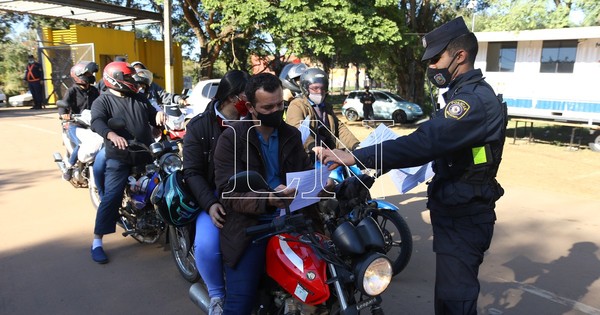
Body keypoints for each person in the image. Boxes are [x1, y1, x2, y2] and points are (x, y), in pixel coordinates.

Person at [316, 16, 507, 315]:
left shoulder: (471, 103)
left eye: (436, 59)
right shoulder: (461, 97)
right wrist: (373, 169)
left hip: (465, 216)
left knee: (456, 302)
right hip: (456, 211)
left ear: (460, 56)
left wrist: (356, 156)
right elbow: (432, 146)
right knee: (447, 297)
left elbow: (424, 143)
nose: (431, 67)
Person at [212, 73, 313, 314]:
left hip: (293, 221)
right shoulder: (232, 139)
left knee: (324, 282)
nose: (276, 111)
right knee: (240, 303)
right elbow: (228, 193)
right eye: (268, 107)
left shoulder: (291, 135)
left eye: (280, 105)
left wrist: (323, 184)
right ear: (250, 107)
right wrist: (266, 199)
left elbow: (304, 172)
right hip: (251, 228)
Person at [182, 69, 251, 315]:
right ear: (233, 98)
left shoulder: (255, 121)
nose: (252, 100)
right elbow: (191, 172)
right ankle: (216, 295)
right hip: (213, 198)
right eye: (247, 94)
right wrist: (210, 204)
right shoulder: (200, 127)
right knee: (208, 245)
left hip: (250, 196)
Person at [89, 61, 165, 264]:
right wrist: (111, 134)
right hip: (120, 157)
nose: (133, 80)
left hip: (146, 154)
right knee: (112, 196)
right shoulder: (103, 101)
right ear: (115, 80)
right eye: (128, 77)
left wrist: (157, 115)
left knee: (165, 184)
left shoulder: (139, 97)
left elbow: (152, 113)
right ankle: (97, 241)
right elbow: (96, 121)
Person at [286, 67, 359, 158]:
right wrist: (312, 145)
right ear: (305, 89)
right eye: (315, 88)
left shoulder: (325, 106)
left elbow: (340, 128)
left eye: (323, 88)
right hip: (307, 157)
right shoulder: (297, 105)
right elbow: (297, 127)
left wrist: (355, 145)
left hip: (328, 155)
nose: (320, 92)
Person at [60, 61, 100, 181]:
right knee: (81, 144)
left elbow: (101, 103)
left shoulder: (94, 90)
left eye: (91, 74)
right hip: (75, 124)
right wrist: (64, 115)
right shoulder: (72, 91)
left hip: (91, 123)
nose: (91, 76)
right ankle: (69, 167)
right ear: (78, 75)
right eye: (88, 74)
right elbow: (63, 106)